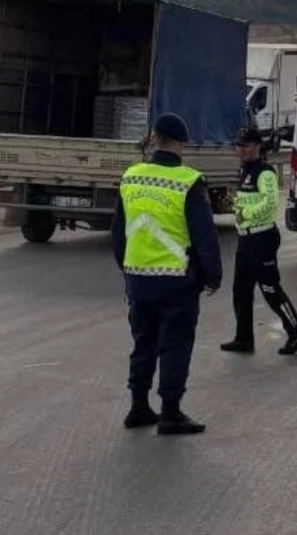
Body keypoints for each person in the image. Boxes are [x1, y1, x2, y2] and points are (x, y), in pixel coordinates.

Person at [112, 113, 222, 436]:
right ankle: (170, 413)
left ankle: (138, 406)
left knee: (143, 342)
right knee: (175, 344)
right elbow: (204, 235)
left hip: (138, 279)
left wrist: (127, 265)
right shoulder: (188, 181)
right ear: (182, 144)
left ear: (153, 139)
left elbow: (118, 231)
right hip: (176, 280)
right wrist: (212, 275)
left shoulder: (131, 177)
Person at [221, 127, 297, 356]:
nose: (240, 150)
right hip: (245, 239)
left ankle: (296, 332)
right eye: (238, 146)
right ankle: (243, 339)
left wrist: (245, 213)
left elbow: (270, 203)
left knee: (270, 289)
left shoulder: (265, 172)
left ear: (257, 147)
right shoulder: (245, 171)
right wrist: (235, 205)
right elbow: (247, 202)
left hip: (262, 238)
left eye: (245, 146)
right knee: (241, 291)